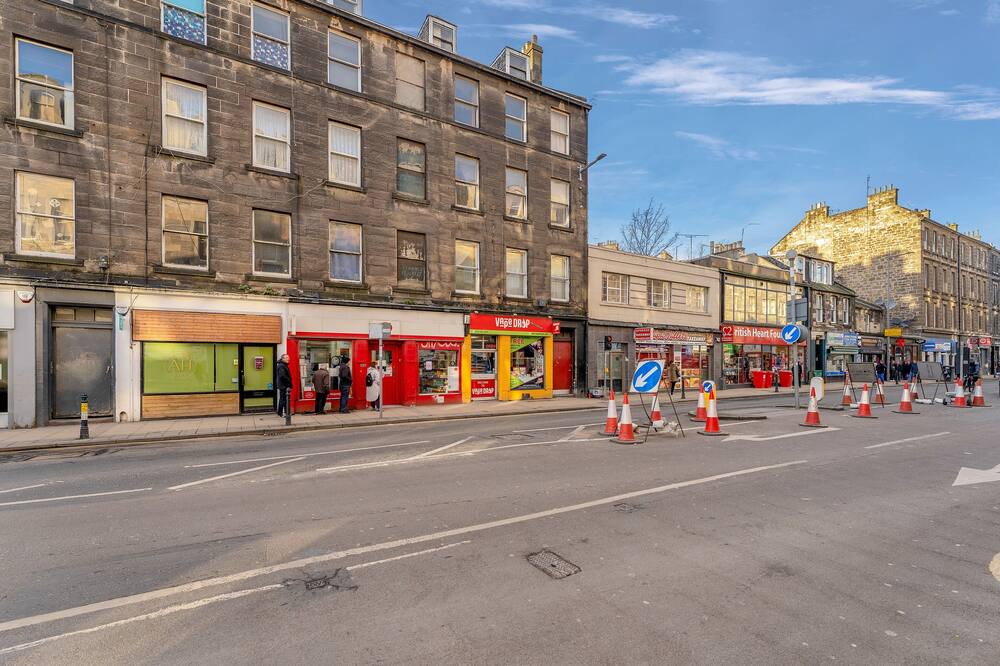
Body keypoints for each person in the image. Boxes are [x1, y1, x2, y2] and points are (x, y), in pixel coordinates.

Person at [276, 353, 292, 418]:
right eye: (287, 358)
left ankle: (286, 412)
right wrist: (289, 382)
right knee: (283, 400)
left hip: (284, 385)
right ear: (283, 359)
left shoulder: (283, 365)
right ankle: (280, 413)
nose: (288, 359)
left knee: (285, 399)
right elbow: (282, 376)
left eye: (288, 358)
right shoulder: (281, 366)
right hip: (283, 385)